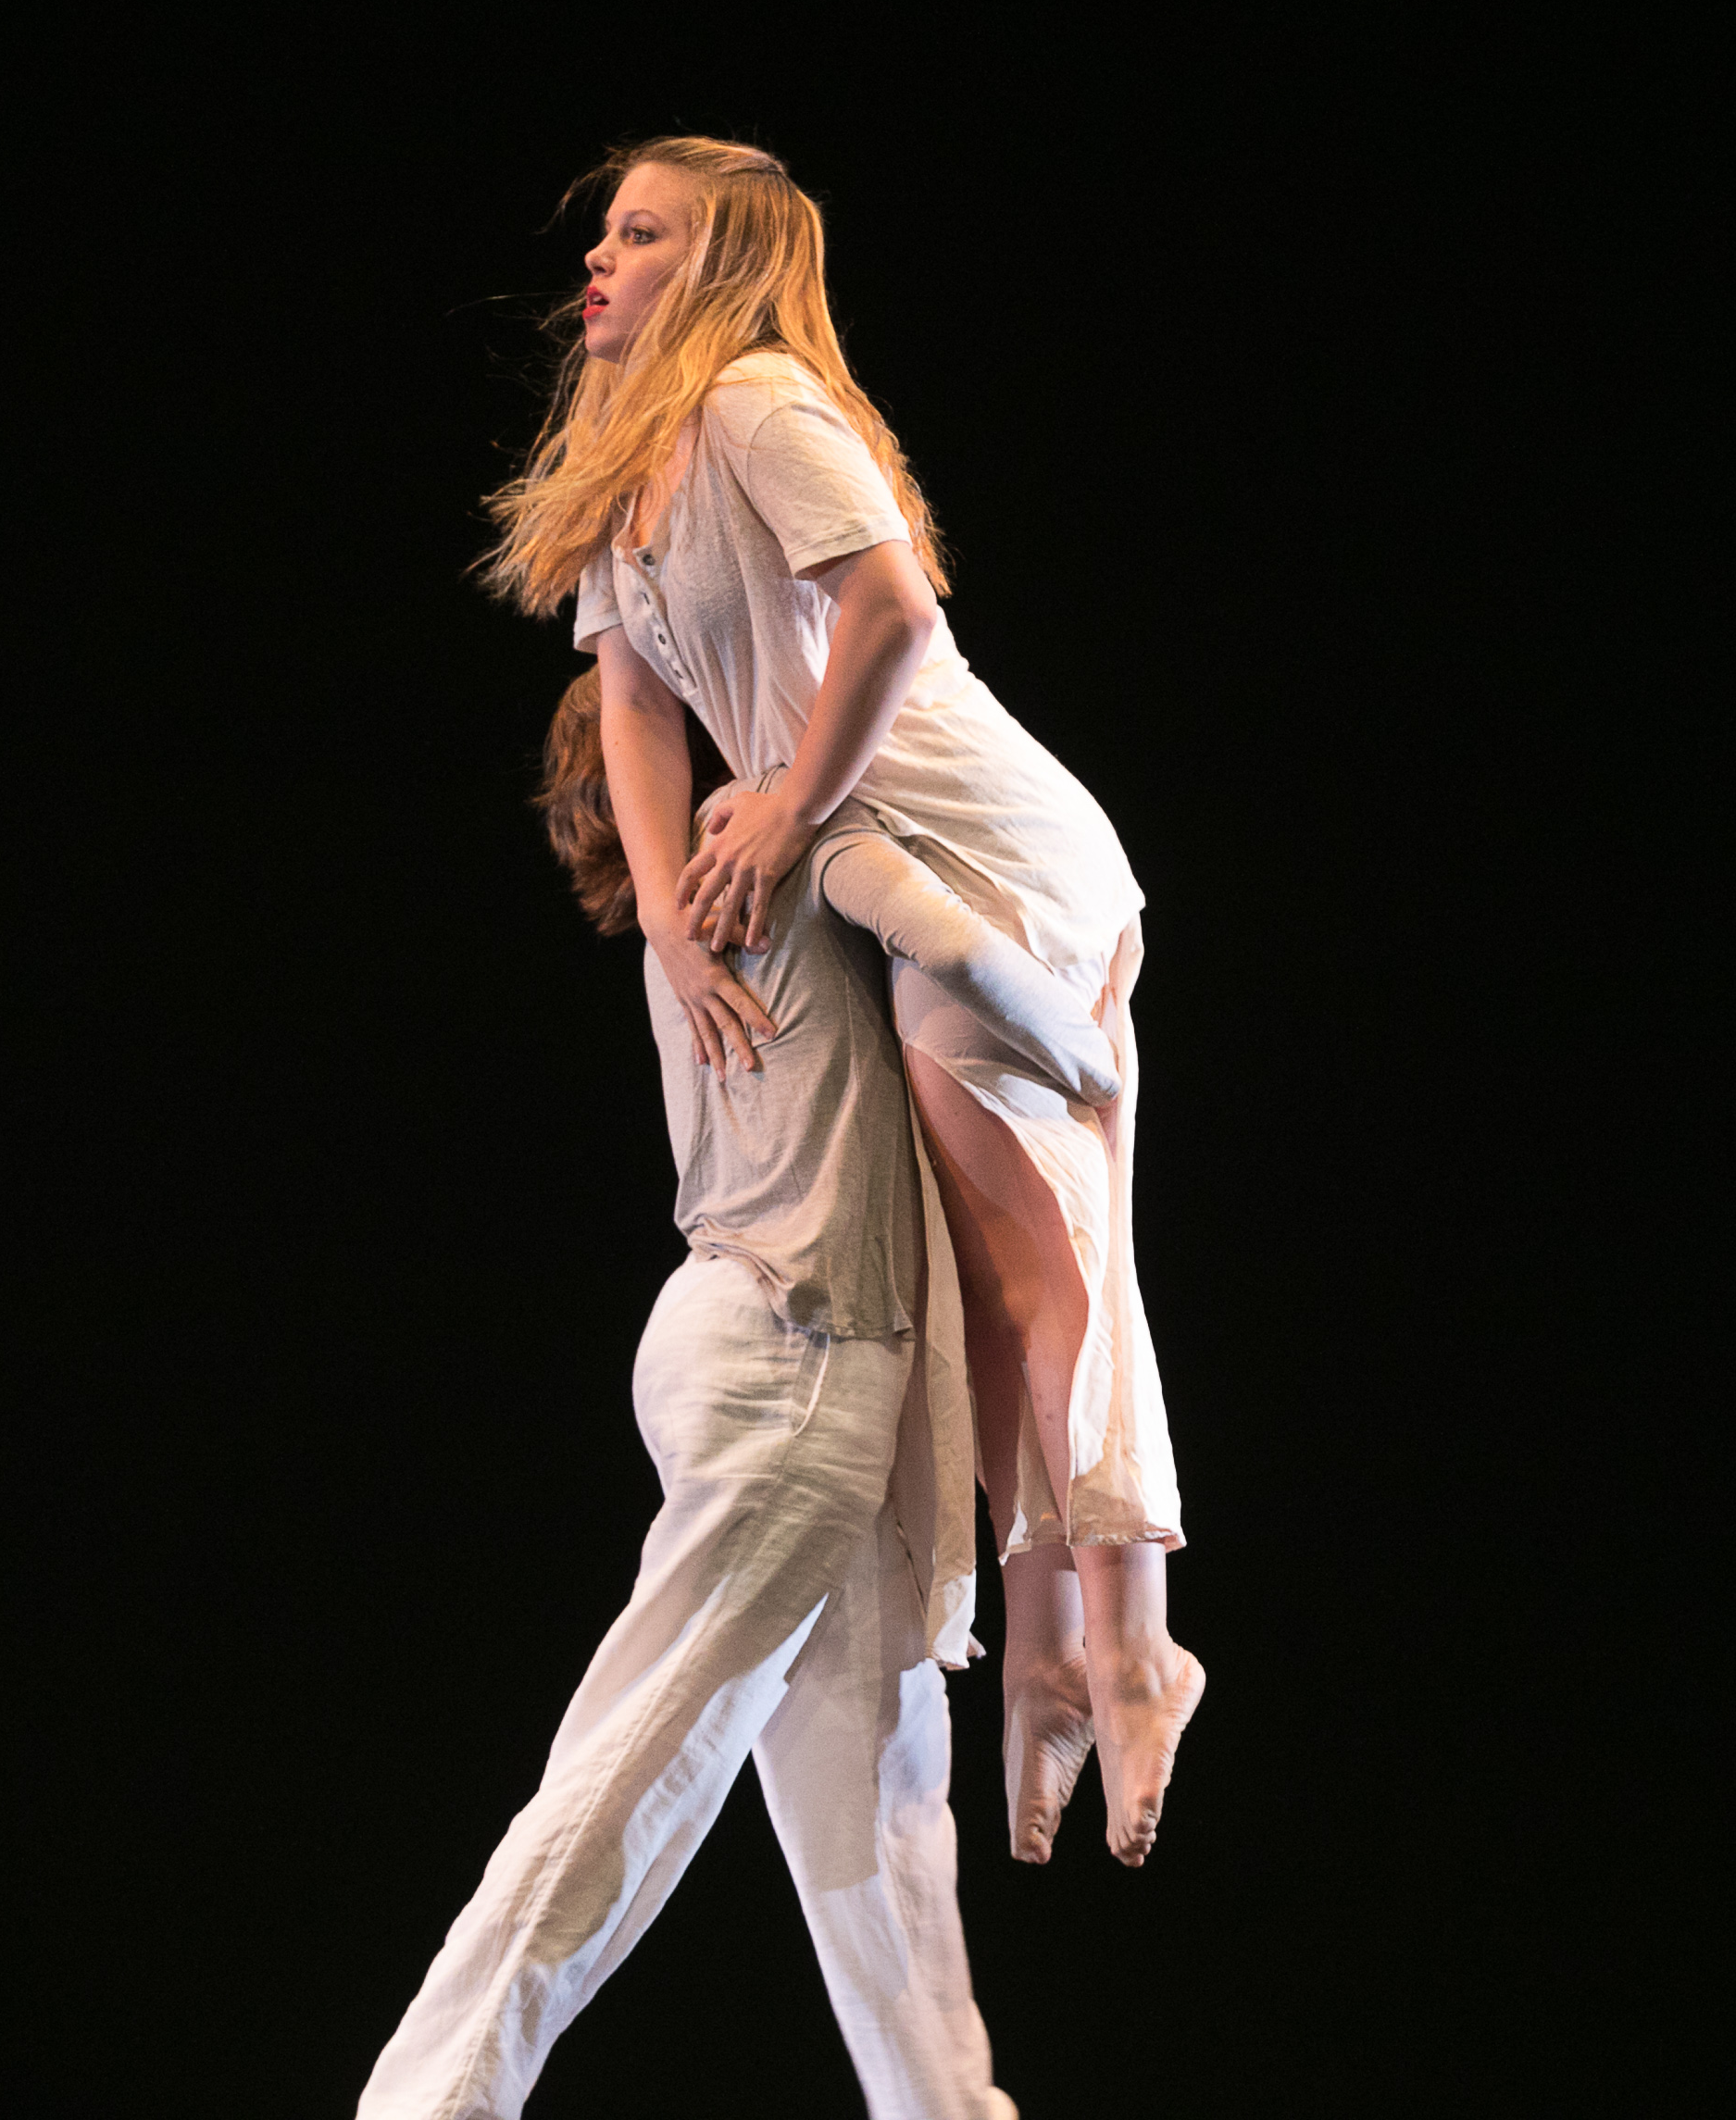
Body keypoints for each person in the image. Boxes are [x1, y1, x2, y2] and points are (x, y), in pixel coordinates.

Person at [474, 135, 1205, 1869]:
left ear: (720, 263)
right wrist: (670, 916)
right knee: (994, 1273)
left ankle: (1129, 1644)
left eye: (640, 234)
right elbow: (633, 702)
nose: (598, 260)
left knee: (1040, 1259)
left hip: (971, 840)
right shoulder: (639, 458)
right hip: (874, 844)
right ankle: (1056, 1652)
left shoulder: (758, 402)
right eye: (606, 233)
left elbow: (890, 609)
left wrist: (794, 805)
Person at [356, 680, 1111, 2120]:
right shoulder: (753, 833)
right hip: (799, 1353)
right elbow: (958, 945)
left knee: (880, 1829)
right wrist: (1094, 1055)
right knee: (639, 1761)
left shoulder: (699, 889)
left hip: (768, 1344)